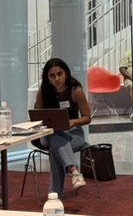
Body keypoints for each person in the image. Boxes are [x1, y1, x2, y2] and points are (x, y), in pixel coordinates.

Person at [33, 58, 92, 196]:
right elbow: (37, 117)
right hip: (48, 134)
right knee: (55, 136)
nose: (57, 78)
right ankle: (74, 170)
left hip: (74, 134)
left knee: (56, 148)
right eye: (52, 75)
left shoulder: (75, 91)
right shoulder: (43, 92)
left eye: (60, 74)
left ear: (66, 74)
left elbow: (87, 117)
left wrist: (73, 122)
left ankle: (55, 194)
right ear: (47, 79)